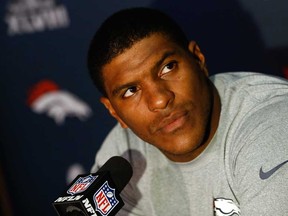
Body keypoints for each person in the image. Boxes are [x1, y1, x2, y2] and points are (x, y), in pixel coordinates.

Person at [87, 7, 288, 215]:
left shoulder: (272, 125)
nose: (159, 99)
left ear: (198, 59)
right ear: (114, 112)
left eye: (168, 67)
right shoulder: (125, 154)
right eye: (131, 91)